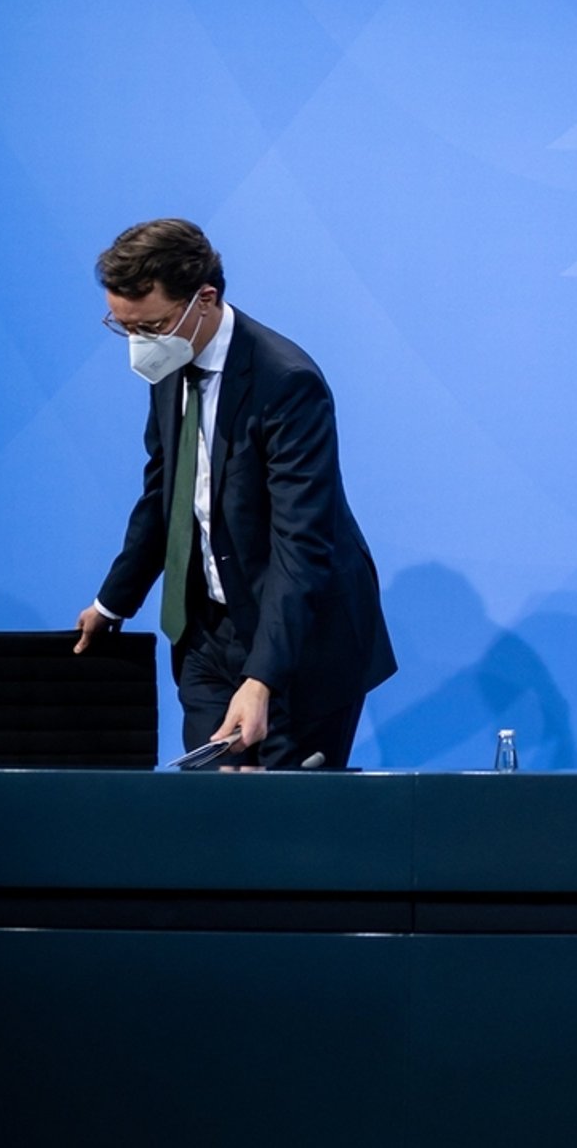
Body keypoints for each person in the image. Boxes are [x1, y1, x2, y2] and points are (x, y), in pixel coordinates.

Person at [74, 220, 395, 768]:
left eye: (149, 326)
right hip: (207, 633)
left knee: (288, 834)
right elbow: (165, 497)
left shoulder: (286, 382)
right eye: (123, 328)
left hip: (301, 643)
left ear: (205, 299)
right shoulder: (169, 363)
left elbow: (302, 545)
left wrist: (263, 676)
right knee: (214, 816)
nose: (138, 344)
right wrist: (112, 602)